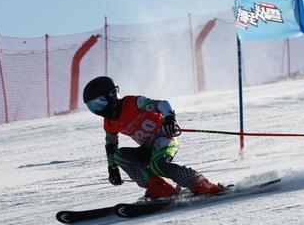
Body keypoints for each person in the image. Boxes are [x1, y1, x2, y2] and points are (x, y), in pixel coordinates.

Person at [83, 76, 222, 198]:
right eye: (92, 107)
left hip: (164, 138)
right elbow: (111, 146)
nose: (97, 110)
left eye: (98, 104)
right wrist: (113, 169)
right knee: (120, 155)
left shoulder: (133, 102)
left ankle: (200, 183)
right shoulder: (109, 123)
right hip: (148, 147)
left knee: (158, 164)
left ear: (111, 95)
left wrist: (169, 119)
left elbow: (162, 104)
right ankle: (159, 187)